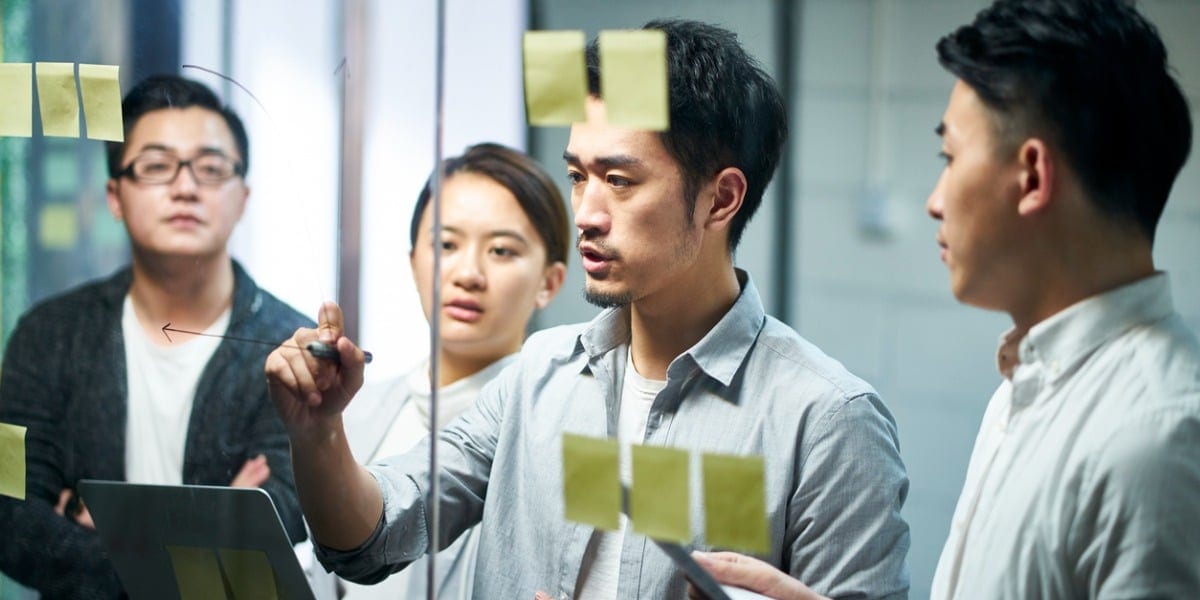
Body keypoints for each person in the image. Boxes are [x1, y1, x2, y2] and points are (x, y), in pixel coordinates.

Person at [268, 19, 910, 599]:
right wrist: (318, 433)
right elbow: (374, 534)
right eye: (578, 176)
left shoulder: (826, 422)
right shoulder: (540, 375)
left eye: (620, 181)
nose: (585, 214)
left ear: (720, 200)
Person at [694, 0, 1200, 598]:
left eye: (950, 158)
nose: (935, 201)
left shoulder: (1155, 438)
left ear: (1032, 176)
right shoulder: (1033, 383)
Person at [0, 74, 311, 598]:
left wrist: (109, 528)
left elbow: (286, 513)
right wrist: (207, 531)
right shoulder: (48, 335)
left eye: (210, 168)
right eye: (156, 166)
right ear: (115, 196)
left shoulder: (287, 346)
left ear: (243, 197)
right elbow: (11, 512)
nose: (185, 187)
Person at [312, 142, 567, 599]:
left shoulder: (558, 432)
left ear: (549, 283)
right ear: (414, 262)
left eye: (502, 250)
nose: (468, 273)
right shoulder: (352, 411)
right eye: (446, 244)